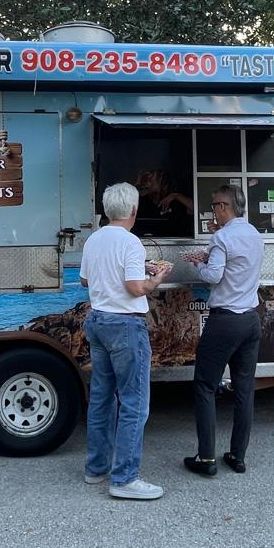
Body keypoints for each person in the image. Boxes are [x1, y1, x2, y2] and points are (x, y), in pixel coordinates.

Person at [79, 181, 172, 500]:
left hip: (98, 321)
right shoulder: (131, 243)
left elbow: (85, 279)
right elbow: (135, 288)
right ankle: (125, 479)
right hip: (125, 325)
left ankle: (96, 468)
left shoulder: (94, 239)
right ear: (133, 210)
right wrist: (155, 278)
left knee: (102, 398)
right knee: (134, 403)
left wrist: (136, 269)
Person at [180, 184, 265, 477]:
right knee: (244, 391)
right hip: (250, 319)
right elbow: (238, 267)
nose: (213, 210)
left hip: (224, 320)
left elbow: (215, 277)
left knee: (205, 386)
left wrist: (199, 268)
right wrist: (209, 257)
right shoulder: (254, 234)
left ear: (225, 207)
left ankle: (206, 458)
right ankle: (237, 456)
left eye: (215, 205)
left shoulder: (221, 237)